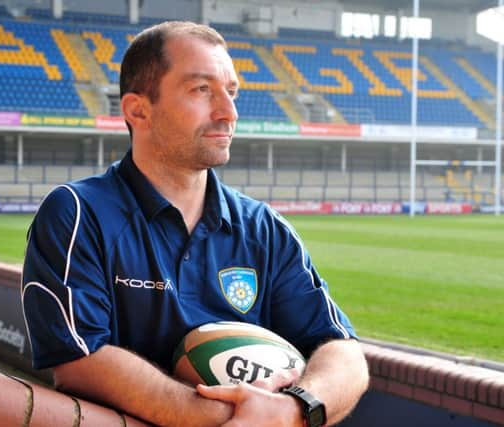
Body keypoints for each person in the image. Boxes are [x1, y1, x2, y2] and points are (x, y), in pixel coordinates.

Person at [22, 21, 368, 426]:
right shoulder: (77, 213)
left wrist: (294, 408)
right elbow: (79, 360)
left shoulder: (263, 228)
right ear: (138, 110)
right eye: (201, 90)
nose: (228, 112)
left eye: (232, 91)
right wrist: (233, 418)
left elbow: (342, 351)